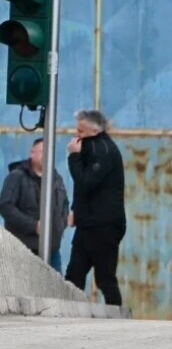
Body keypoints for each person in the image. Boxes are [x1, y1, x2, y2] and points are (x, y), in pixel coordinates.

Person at [65, 110, 127, 307]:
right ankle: (67, 318)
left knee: (105, 278)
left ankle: (118, 320)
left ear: (93, 130)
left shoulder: (102, 150)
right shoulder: (90, 146)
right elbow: (83, 190)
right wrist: (77, 210)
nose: (76, 135)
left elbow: (86, 182)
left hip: (104, 225)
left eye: (80, 131)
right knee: (73, 276)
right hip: (88, 223)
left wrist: (73, 157)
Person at [0, 138, 70, 273]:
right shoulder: (17, 176)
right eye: (43, 151)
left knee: (54, 292)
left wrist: (62, 224)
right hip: (23, 251)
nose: (47, 155)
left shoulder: (56, 178)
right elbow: (5, 206)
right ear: (32, 153)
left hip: (52, 251)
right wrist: (33, 226)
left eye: (50, 151)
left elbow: (64, 204)